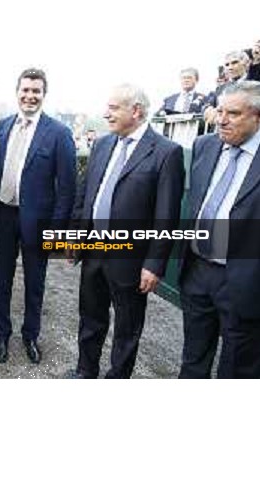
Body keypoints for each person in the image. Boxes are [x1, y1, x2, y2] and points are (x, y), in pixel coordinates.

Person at [69, 84, 184, 379]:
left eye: (113, 108)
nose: (106, 114)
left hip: (131, 259)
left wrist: (154, 264)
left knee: (127, 328)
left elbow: (166, 217)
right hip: (94, 249)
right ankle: (85, 372)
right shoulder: (103, 144)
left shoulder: (166, 153)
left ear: (136, 111)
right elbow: (86, 194)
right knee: (90, 318)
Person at [179, 81, 260, 378]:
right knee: (192, 361)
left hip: (251, 282)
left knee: (239, 371)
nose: (221, 119)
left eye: (233, 113)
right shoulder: (204, 145)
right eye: (220, 110)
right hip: (198, 272)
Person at [0, 68, 76, 364]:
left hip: (38, 223)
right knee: (0, 280)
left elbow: (67, 189)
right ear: (17, 92)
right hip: (2, 215)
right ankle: (1, 334)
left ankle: (30, 335)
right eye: (25, 90)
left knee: (34, 284)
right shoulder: (0, 126)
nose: (30, 96)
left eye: (36, 91)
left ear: (43, 95)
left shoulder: (59, 133)